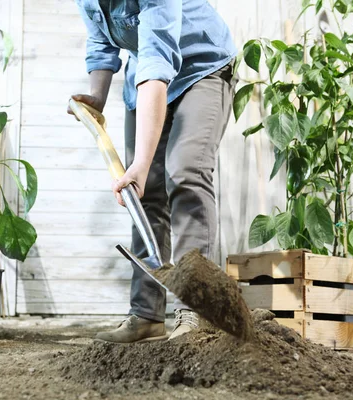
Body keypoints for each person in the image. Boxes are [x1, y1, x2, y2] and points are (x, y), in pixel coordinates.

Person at [68, 0, 238, 343]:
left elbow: (157, 63)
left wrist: (141, 164)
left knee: (186, 171)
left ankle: (197, 311)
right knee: (143, 195)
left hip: (201, 68)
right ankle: (146, 315)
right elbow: (101, 40)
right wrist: (96, 97)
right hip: (146, 74)